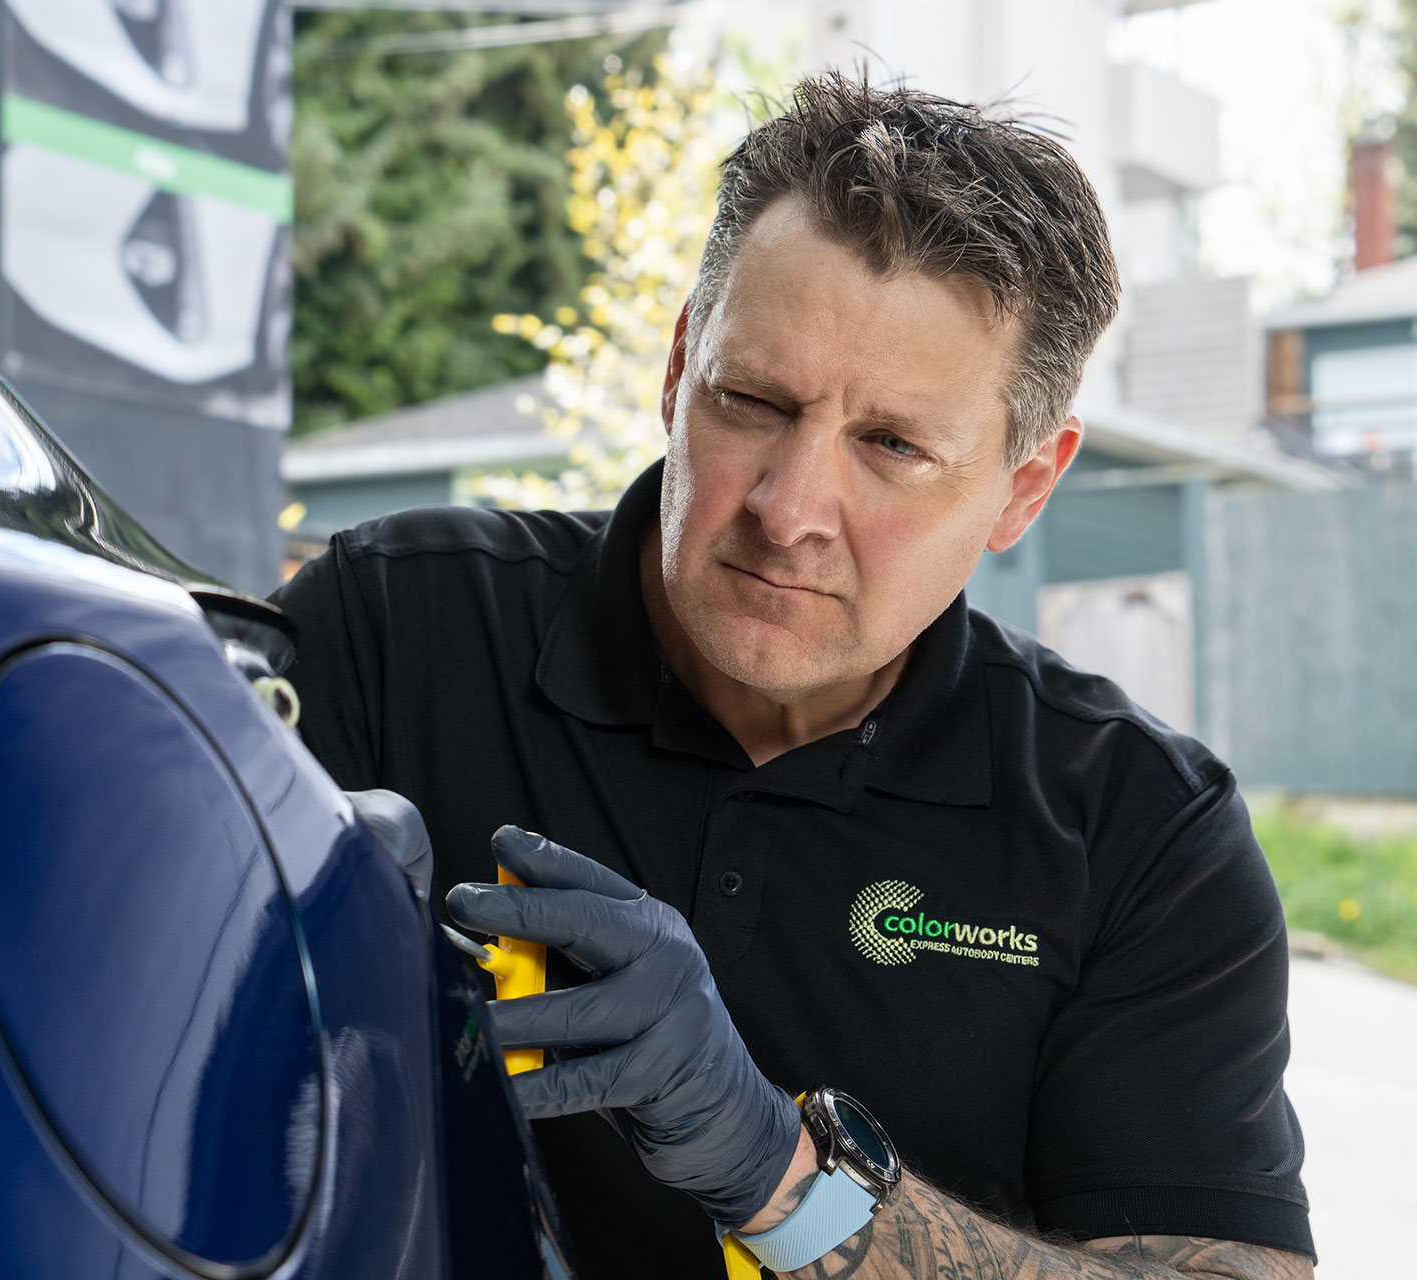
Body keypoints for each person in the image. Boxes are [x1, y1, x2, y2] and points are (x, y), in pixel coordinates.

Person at [272, 72, 1314, 1280]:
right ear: (677, 371)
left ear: (1022, 490)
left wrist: (781, 1174)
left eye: (891, 446)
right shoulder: (396, 625)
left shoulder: (1137, 832)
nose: (789, 509)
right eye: (753, 401)